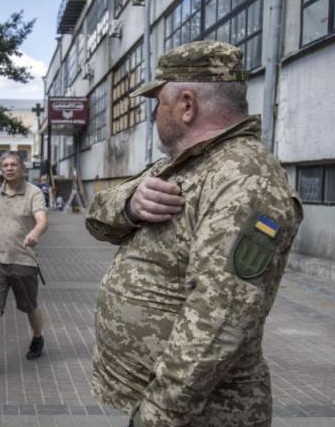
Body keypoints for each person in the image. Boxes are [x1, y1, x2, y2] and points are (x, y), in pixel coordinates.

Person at [85, 41, 303, 427]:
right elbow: (97, 217)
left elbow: (221, 314)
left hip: (199, 415)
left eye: (158, 101)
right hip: (160, 402)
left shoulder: (245, 179)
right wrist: (130, 203)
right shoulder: (185, 165)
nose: (154, 113)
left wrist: (159, 413)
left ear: (187, 104)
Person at [0, 151, 49, 381]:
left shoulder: (33, 193)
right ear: (0, 168)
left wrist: (35, 232)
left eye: (14, 164)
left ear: (22, 168)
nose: (9, 168)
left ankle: (37, 337)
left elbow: (42, 219)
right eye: (5, 165)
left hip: (23, 261)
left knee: (29, 307)